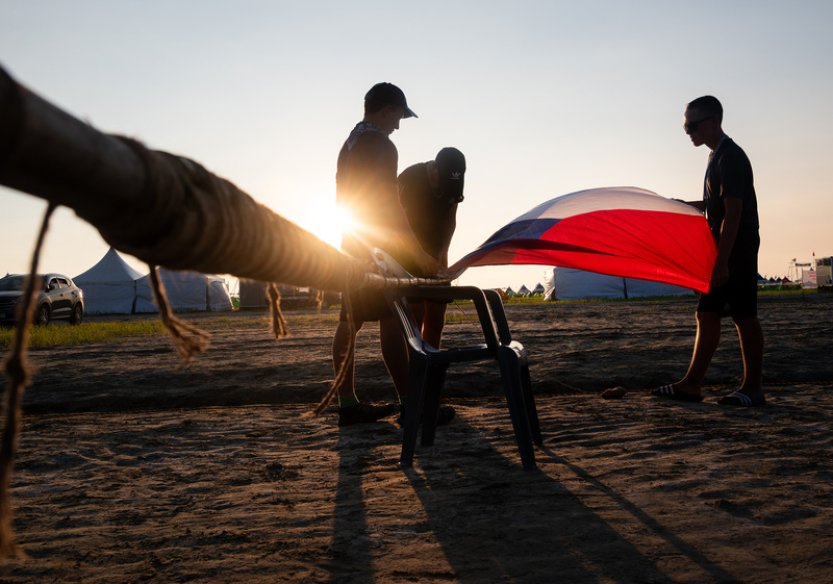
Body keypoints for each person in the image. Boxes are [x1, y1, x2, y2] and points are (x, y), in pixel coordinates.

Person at [332, 82, 441, 426]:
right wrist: (418, 253)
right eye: (399, 117)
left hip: (351, 240)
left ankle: (347, 403)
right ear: (387, 111)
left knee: (350, 321)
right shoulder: (382, 144)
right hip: (374, 245)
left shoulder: (349, 143)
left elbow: (343, 199)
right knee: (395, 318)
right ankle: (413, 406)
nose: (398, 125)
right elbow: (390, 204)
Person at [653, 95, 765, 407]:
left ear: (713, 122)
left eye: (692, 125)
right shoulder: (715, 156)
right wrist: (681, 206)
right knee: (707, 314)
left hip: (736, 248)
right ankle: (691, 384)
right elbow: (715, 206)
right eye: (685, 126)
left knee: (744, 316)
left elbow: (734, 213)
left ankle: (753, 389)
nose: (688, 131)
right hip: (723, 248)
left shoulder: (730, 157)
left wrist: (722, 263)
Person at [396, 147, 467, 425]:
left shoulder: (454, 181)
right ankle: (413, 388)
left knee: (436, 318)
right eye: (441, 183)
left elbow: (450, 220)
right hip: (406, 254)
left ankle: (430, 383)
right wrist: (419, 258)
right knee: (415, 318)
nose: (445, 190)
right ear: (433, 171)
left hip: (434, 255)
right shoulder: (410, 180)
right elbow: (399, 228)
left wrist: (442, 255)